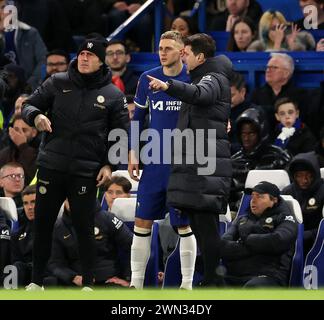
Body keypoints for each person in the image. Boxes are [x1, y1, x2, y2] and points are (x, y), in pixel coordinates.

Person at [21, 38, 129, 291]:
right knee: (43, 223)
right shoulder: (57, 82)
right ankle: (36, 282)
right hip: (52, 166)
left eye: (89, 56)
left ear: (101, 61)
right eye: (81, 54)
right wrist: (35, 116)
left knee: (84, 227)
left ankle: (88, 284)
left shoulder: (113, 94)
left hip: (86, 172)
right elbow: (29, 104)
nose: (83, 58)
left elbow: (120, 135)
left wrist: (109, 166)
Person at [147, 33, 233, 286]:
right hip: (197, 164)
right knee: (199, 224)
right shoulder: (203, 76)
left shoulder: (212, 77)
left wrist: (168, 86)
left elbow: (201, 95)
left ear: (200, 56)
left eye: (186, 53)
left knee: (206, 228)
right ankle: (210, 280)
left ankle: (214, 282)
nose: (182, 57)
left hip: (206, 165)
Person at [128, 31, 197, 290]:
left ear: (181, 52)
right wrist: (133, 152)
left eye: (168, 48)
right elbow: (137, 120)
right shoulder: (147, 78)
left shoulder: (192, 79)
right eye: (160, 48)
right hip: (154, 162)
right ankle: (135, 285)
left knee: (184, 224)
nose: (162, 52)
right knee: (142, 221)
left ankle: (187, 285)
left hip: (182, 164)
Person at [221, 181, 298, 287]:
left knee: (254, 287)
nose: (253, 200)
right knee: (209, 283)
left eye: (260, 196)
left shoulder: (286, 219)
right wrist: (254, 246)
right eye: (252, 196)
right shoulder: (241, 219)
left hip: (269, 276)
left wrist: (247, 240)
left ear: (274, 200)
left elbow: (277, 241)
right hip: (235, 275)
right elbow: (223, 246)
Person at [48, 199, 132, 287]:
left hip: (109, 281)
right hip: (76, 284)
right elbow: (54, 263)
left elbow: (132, 246)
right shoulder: (58, 227)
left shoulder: (107, 218)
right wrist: (72, 277)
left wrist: (127, 278)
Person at [282, 152, 324, 255]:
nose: (304, 180)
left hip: (319, 241)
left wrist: (309, 234)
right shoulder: (287, 192)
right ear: (294, 176)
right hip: (292, 241)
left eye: (308, 176)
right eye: (299, 176)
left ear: (315, 174)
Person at [0, 0, 48, 90]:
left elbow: (43, 60)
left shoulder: (30, 32)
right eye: (3, 7)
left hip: (28, 85)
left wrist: (30, 84)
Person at [247, 10, 315, 51]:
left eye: (280, 27)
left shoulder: (293, 43)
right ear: (265, 31)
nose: (278, 31)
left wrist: (293, 47)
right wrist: (277, 43)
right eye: (273, 28)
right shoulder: (257, 47)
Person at [0, 116, 39, 184]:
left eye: (24, 130)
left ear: (34, 133)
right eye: (16, 130)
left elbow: (30, 175)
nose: (19, 134)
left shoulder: (41, 152)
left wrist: (23, 146)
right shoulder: (4, 154)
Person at [11, 185, 36, 286]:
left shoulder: (55, 229)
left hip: (46, 276)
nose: (30, 207)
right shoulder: (17, 235)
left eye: (33, 202)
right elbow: (15, 261)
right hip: (24, 277)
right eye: (26, 203)